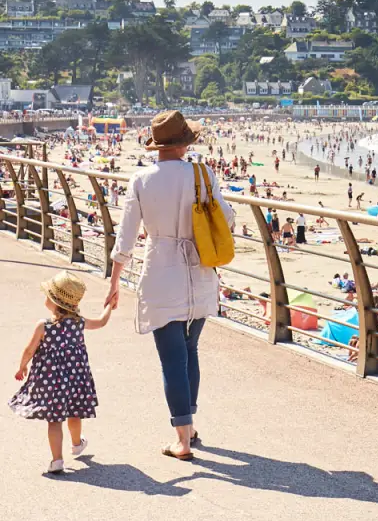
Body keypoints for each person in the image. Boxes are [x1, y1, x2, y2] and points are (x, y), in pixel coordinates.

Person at [105, 111, 235, 461]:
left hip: (162, 271)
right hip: (200, 270)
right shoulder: (202, 174)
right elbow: (227, 217)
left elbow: (127, 235)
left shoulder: (142, 179)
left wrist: (115, 280)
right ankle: (189, 428)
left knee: (172, 357)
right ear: (185, 143)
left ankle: (183, 439)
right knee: (189, 349)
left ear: (157, 145)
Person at [9, 270, 113, 474]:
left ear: (54, 301)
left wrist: (22, 366)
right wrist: (110, 306)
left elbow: (30, 349)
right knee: (75, 413)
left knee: (54, 420)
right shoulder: (79, 323)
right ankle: (77, 444)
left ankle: (57, 460)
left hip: (51, 382)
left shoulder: (44, 326)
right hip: (76, 379)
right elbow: (101, 322)